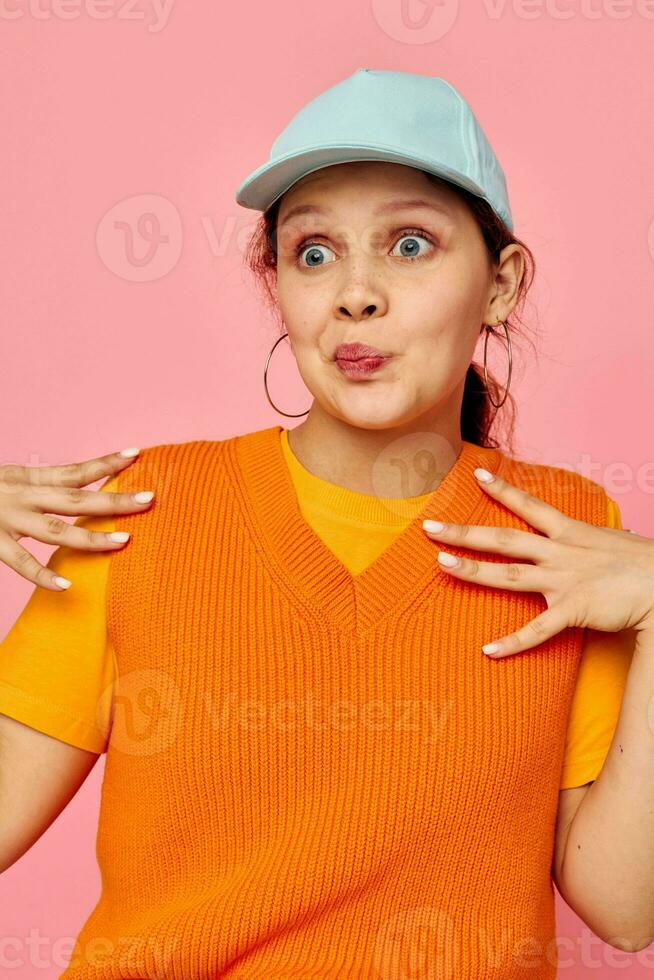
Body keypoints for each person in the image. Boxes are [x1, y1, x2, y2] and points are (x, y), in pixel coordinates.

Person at [0, 68, 642, 978]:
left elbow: (624, 908)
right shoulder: (143, 513)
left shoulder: (568, 531)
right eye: (313, 253)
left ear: (501, 285)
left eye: (409, 244)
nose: (356, 293)